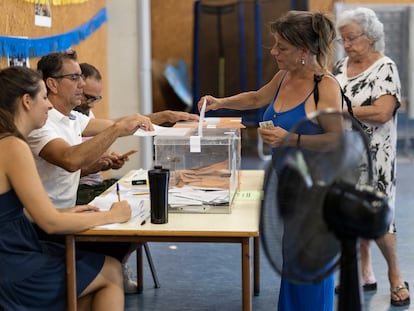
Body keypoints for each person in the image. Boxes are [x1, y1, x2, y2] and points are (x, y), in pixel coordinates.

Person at [198, 10, 342, 311]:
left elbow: (337, 140)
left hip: (315, 190)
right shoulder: (283, 77)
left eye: (282, 47)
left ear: (304, 51)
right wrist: (219, 103)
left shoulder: (325, 87)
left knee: (310, 265)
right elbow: (255, 99)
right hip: (287, 184)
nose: (274, 51)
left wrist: (290, 138)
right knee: (291, 259)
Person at [0, 66, 132, 310]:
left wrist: (66, 212)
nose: (49, 106)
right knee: (112, 271)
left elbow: (17, 213)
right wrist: (112, 216)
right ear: (26, 101)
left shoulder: (8, 142)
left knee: (90, 296)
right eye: (43, 98)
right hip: (12, 262)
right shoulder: (13, 147)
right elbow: (49, 223)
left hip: (15, 249)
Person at [27, 50, 153, 295]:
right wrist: (117, 130)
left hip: (65, 212)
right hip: (46, 226)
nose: (82, 84)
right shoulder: (40, 124)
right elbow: (70, 160)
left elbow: (121, 125)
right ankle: (105, 277)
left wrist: (166, 117)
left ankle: (103, 279)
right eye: (75, 78)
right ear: (51, 84)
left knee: (135, 220)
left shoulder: (72, 117)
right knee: (124, 231)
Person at [333, 7, 410, 307]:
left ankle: (395, 274)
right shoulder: (340, 66)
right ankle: (365, 271)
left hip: (376, 154)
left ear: (371, 36)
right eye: (344, 39)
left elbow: (382, 112)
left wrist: (344, 112)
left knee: (379, 216)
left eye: (352, 38)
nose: (347, 45)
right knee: (350, 211)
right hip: (344, 153)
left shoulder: (385, 68)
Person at [74, 62, 200, 205]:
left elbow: (119, 125)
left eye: (96, 99)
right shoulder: (60, 121)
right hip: (79, 191)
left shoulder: (84, 114)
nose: (91, 104)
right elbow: (118, 126)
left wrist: (107, 161)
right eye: (87, 97)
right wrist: (89, 168)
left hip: (95, 184)